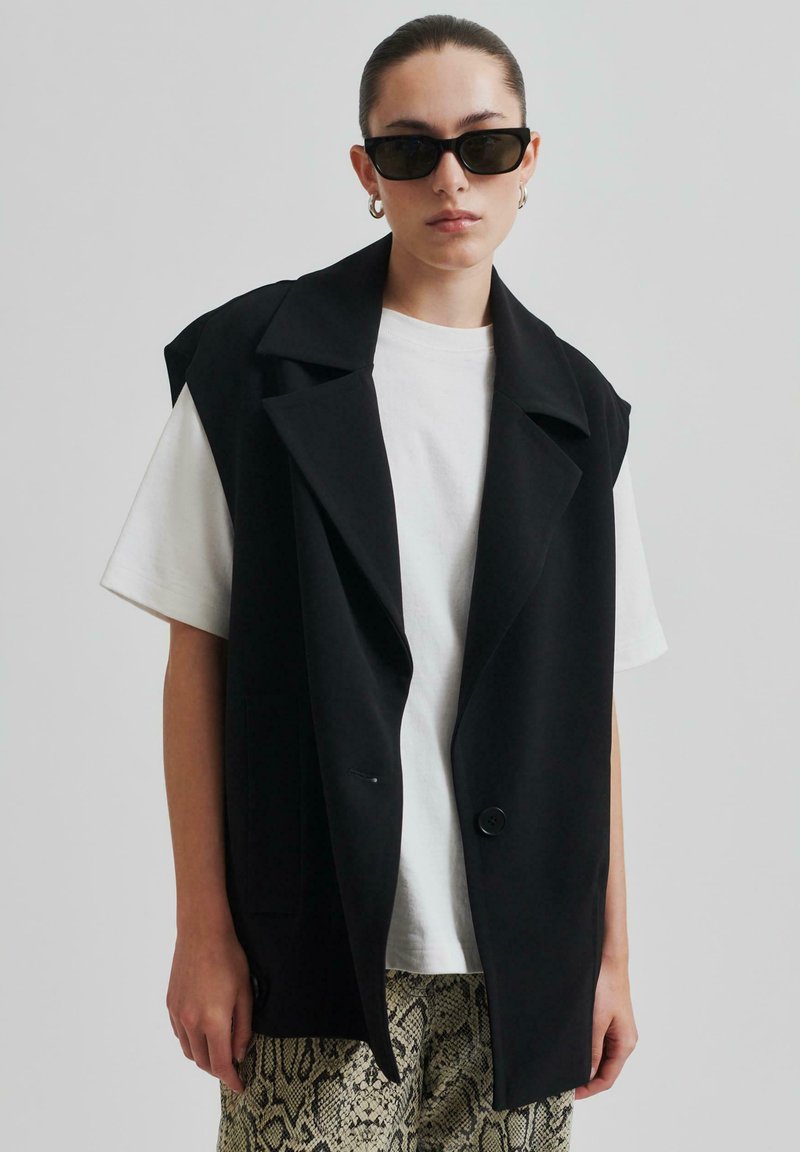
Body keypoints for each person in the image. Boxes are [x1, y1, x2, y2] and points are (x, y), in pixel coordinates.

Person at [100, 15, 667, 1152]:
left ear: (528, 160)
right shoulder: (254, 366)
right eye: (411, 150)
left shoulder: (577, 409)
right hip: (313, 949)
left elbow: (588, 710)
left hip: (521, 968)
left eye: (484, 146)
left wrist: (609, 956)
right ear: (367, 172)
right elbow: (195, 660)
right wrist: (203, 931)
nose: (451, 179)